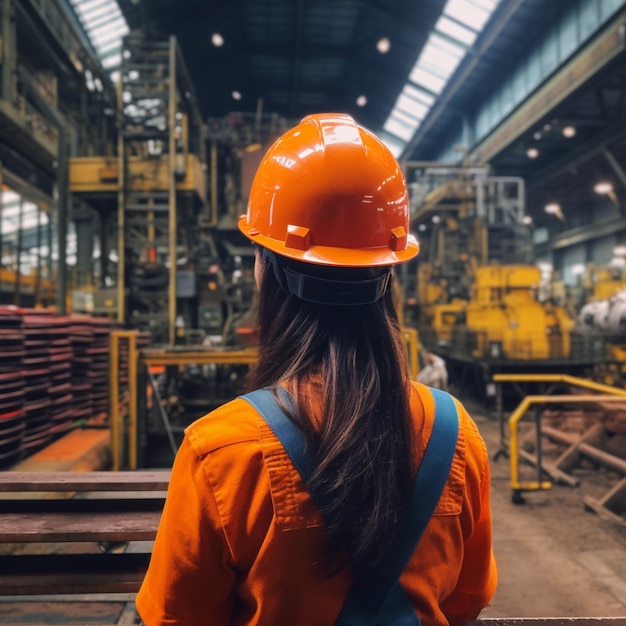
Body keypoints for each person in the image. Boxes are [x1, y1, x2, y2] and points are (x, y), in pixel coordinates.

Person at [136, 113, 497, 625]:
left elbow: (177, 618)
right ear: (388, 274)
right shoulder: (456, 434)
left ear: (265, 271)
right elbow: (467, 598)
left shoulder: (219, 452)